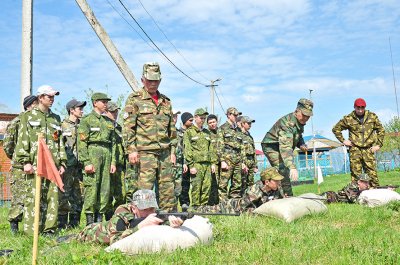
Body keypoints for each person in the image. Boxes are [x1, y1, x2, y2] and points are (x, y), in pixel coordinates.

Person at [123, 62, 177, 212]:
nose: (153, 83)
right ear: (142, 80)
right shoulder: (134, 99)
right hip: (145, 153)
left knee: (168, 190)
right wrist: (131, 150)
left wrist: (173, 152)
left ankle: (168, 221)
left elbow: (171, 130)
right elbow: (128, 127)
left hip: (165, 154)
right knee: (145, 191)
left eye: (156, 80)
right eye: (149, 80)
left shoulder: (166, 102)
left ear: (160, 80)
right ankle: (143, 222)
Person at [14, 85, 67, 235]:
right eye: (49, 96)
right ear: (40, 97)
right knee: (34, 197)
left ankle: (49, 229)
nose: (52, 99)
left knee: (53, 196)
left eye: (53, 97)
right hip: (35, 163)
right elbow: (22, 139)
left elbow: (59, 142)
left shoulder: (55, 118)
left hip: (53, 164)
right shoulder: (28, 116)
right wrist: (25, 162)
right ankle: (32, 231)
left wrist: (62, 162)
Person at [77, 189, 183, 245]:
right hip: (91, 232)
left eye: (151, 209)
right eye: (144, 209)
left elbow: (162, 220)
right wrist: (140, 226)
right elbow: (114, 240)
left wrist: (172, 223)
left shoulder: (155, 212)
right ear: (133, 208)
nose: (149, 213)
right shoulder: (121, 215)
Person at [78, 92, 117, 225]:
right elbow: (82, 143)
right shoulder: (87, 120)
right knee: (92, 186)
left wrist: (113, 162)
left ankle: (100, 219)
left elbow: (113, 143)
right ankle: (89, 221)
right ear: (95, 103)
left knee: (105, 187)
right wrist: (86, 162)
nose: (106, 104)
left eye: (106, 102)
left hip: (107, 153)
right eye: (103, 102)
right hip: (92, 152)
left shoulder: (109, 122)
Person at [261, 98, 313, 197]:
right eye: (304, 115)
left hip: (282, 146)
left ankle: (284, 196)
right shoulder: (287, 124)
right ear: (297, 110)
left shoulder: (299, 122)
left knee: (282, 171)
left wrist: (301, 144)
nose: (306, 118)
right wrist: (292, 166)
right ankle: (283, 197)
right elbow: (285, 147)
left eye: (308, 116)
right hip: (271, 146)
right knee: (283, 170)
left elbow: (297, 136)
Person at [332, 98, 385, 188]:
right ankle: (356, 195)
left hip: (368, 149)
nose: (360, 110)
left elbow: (381, 130)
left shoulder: (372, 117)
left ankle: (376, 193)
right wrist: (344, 141)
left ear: (365, 107)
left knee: (372, 172)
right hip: (355, 149)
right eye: (358, 108)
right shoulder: (348, 118)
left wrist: (378, 145)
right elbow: (336, 129)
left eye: (362, 108)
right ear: (354, 107)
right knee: (356, 173)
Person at [4, 95, 38, 233]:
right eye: (35, 103)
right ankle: (14, 228)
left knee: (34, 197)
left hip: (35, 166)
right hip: (20, 168)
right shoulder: (17, 122)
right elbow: (7, 146)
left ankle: (31, 228)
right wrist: (18, 160)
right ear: (29, 106)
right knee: (19, 198)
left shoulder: (37, 121)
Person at [195, 167, 284, 214]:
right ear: (267, 182)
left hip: (242, 205)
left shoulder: (276, 188)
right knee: (209, 210)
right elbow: (244, 209)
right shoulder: (254, 192)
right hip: (232, 207)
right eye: (276, 181)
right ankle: (192, 209)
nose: (279, 182)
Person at [58, 99, 87, 229]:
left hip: (80, 168)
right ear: (71, 110)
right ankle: (62, 224)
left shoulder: (83, 126)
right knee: (64, 194)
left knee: (79, 195)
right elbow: (58, 145)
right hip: (67, 167)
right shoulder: (62, 125)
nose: (82, 111)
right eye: (79, 108)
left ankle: (74, 224)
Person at [183, 108, 217, 207]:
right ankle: (195, 208)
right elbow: (187, 149)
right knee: (196, 187)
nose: (202, 120)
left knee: (207, 187)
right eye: (201, 117)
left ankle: (204, 208)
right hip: (196, 164)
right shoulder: (189, 132)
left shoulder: (207, 132)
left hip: (207, 164)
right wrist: (191, 165)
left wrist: (213, 163)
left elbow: (211, 148)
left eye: (204, 118)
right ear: (195, 118)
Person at [217, 107, 245, 200]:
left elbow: (242, 146)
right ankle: (223, 205)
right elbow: (219, 145)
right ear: (229, 115)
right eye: (235, 115)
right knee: (223, 183)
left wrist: (243, 162)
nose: (237, 117)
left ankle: (234, 203)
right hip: (227, 159)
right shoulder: (222, 128)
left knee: (237, 183)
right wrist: (222, 161)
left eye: (238, 115)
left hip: (238, 159)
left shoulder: (239, 130)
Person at [105, 101, 126, 216]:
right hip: (107, 163)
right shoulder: (103, 125)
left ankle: (119, 215)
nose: (115, 113)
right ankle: (108, 215)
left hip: (119, 164)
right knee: (107, 192)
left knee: (121, 192)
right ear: (106, 111)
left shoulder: (119, 127)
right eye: (112, 111)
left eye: (116, 111)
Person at [177, 112, 194, 208]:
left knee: (189, 183)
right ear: (184, 121)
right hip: (183, 163)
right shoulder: (179, 133)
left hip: (192, 162)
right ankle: (184, 203)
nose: (192, 122)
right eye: (190, 120)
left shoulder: (192, 132)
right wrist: (184, 163)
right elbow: (180, 149)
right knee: (183, 184)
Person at [240, 116, 258, 195]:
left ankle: (249, 201)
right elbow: (239, 151)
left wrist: (255, 165)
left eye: (251, 123)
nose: (250, 125)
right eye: (248, 123)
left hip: (251, 161)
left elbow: (253, 151)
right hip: (244, 162)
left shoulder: (250, 136)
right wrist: (242, 163)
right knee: (242, 184)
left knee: (250, 184)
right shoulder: (239, 135)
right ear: (243, 124)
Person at [207, 114, 219, 205]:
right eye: (210, 123)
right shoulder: (207, 133)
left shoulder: (221, 132)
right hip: (212, 163)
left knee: (221, 184)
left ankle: (219, 202)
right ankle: (211, 203)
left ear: (217, 122)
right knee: (212, 183)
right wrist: (212, 162)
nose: (212, 124)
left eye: (213, 122)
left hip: (222, 162)